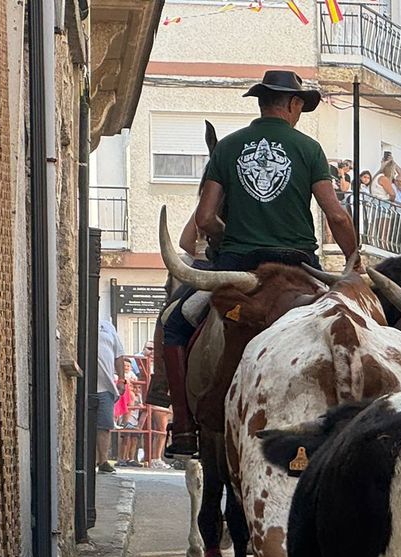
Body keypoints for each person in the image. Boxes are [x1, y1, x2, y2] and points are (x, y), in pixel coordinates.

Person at [160, 69, 357, 457]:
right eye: (300, 106)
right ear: (294, 104)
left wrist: (228, 234)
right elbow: (336, 216)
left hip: (240, 270)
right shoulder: (309, 149)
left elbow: (205, 219)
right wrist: (354, 259)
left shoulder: (228, 148)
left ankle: (183, 430)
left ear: (262, 103)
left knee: (175, 324)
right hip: (301, 270)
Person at [94, 316, 124, 473]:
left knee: (105, 425)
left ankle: (103, 461)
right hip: (85, 384)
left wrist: (122, 379)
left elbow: (119, 355)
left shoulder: (108, 326)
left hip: (106, 386)